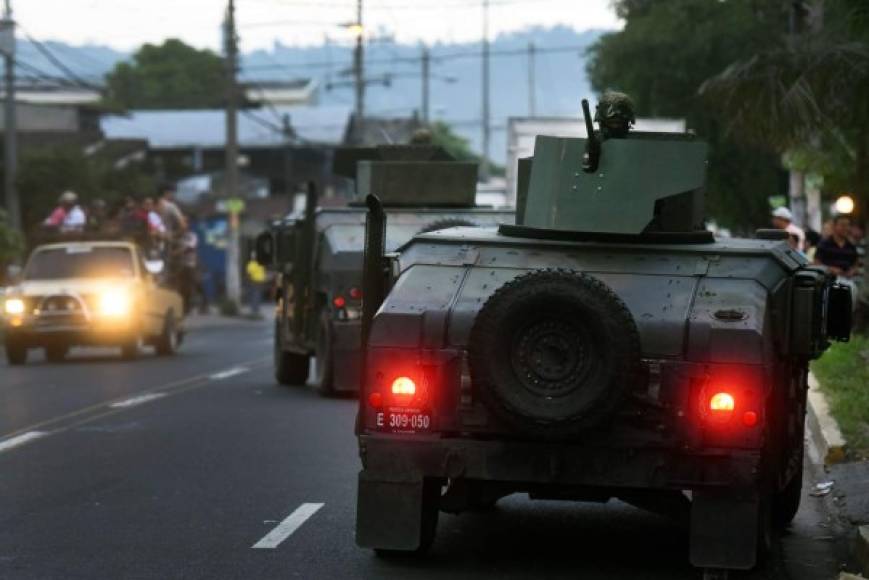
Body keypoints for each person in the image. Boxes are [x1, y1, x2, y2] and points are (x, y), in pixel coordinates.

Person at [815, 214, 859, 278]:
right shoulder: (824, 244)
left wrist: (852, 271)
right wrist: (830, 269)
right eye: (843, 225)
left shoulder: (851, 246)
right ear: (834, 226)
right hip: (827, 280)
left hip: (846, 281)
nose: (846, 228)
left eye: (848, 225)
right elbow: (816, 263)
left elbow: (855, 265)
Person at [246, 252, 267, 318]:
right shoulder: (260, 264)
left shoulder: (251, 264)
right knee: (257, 294)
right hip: (259, 281)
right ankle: (256, 308)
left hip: (254, 281)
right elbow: (263, 271)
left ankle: (254, 308)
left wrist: (248, 281)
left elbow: (248, 274)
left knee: (254, 294)